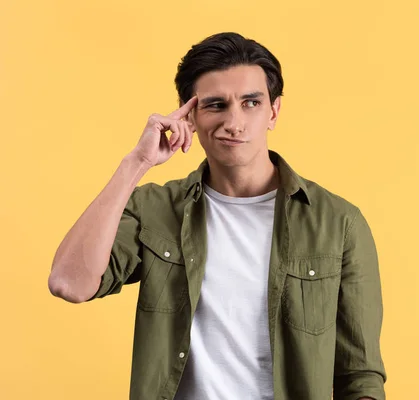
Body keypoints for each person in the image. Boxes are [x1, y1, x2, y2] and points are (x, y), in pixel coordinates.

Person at [48, 32, 386, 400]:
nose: (234, 122)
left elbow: (360, 375)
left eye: (251, 103)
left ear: (274, 111)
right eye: (216, 105)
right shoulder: (155, 210)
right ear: (188, 113)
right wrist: (137, 163)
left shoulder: (338, 224)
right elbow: (69, 283)